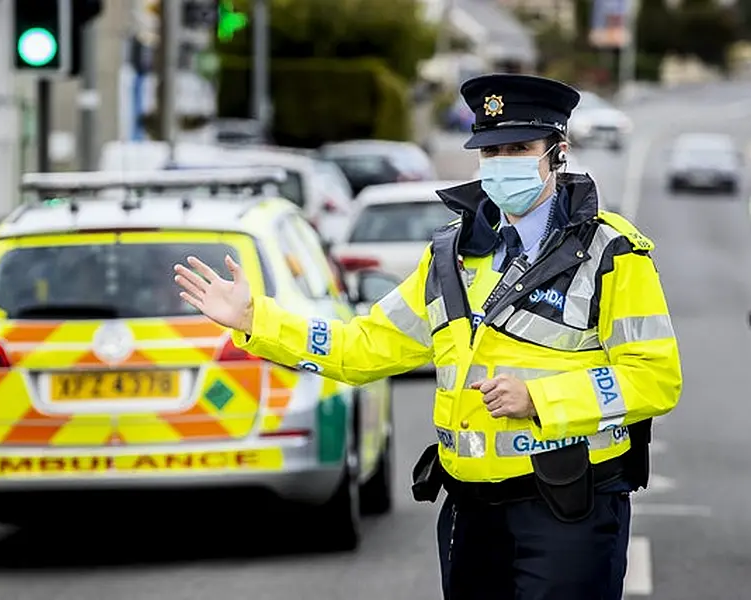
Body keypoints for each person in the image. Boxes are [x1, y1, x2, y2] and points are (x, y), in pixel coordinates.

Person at [172, 73, 682, 599]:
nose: (503, 162)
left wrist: (541, 398)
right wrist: (257, 318)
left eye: (520, 148)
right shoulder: (449, 257)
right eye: (492, 151)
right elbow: (359, 346)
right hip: (472, 512)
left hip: (566, 507)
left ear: (557, 153)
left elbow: (655, 378)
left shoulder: (611, 253)